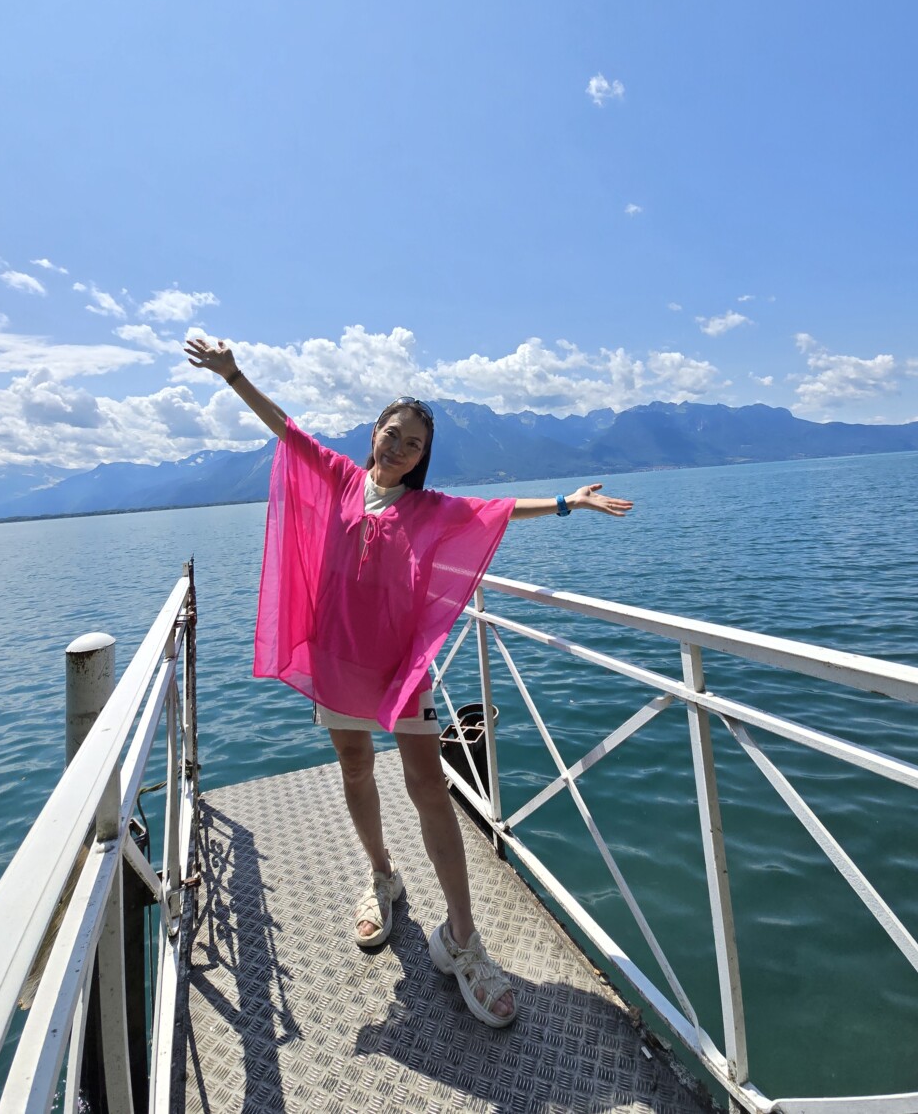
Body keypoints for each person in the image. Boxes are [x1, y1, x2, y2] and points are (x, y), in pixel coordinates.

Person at [185, 335, 634, 1027]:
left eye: (413, 443)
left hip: (399, 667)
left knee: (427, 786)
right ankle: (382, 875)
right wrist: (234, 375)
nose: (399, 447)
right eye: (392, 434)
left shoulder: (428, 510)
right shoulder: (338, 478)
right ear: (374, 433)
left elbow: (495, 512)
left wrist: (566, 502)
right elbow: (286, 430)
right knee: (355, 766)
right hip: (337, 658)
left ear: (423, 457)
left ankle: (462, 937)